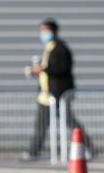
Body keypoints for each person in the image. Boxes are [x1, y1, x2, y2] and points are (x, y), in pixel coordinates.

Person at [23, 18, 92, 161]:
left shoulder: (60, 48)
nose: (43, 34)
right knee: (41, 125)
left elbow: (62, 69)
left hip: (59, 95)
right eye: (42, 31)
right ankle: (33, 152)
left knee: (70, 122)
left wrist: (44, 68)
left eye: (45, 30)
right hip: (45, 96)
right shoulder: (48, 49)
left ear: (53, 31)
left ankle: (88, 148)